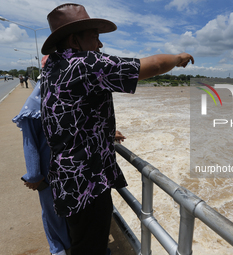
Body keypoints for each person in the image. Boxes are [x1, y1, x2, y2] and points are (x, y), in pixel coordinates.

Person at [40, 3, 194, 255]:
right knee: (91, 247)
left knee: (81, 241)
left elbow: (69, 109)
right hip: (86, 182)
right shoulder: (84, 64)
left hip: (65, 177)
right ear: (74, 40)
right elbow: (152, 66)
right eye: (95, 37)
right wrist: (178, 58)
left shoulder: (52, 67)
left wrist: (104, 131)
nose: (100, 45)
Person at [12, 56, 72, 255]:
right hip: (51, 171)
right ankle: (61, 247)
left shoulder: (45, 100)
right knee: (55, 211)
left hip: (60, 168)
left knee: (57, 211)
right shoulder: (40, 102)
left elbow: (30, 142)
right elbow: (31, 143)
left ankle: (62, 246)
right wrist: (34, 175)